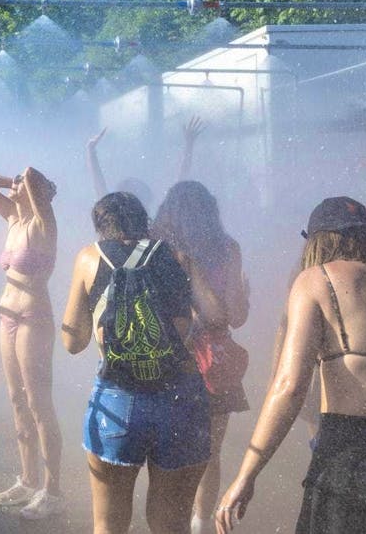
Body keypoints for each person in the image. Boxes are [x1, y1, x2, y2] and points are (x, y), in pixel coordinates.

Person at [216, 197, 366, 533]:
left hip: (350, 459)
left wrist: (247, 474)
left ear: (318, 242)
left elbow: (288, 386)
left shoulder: (317, 280)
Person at [61, 192, 225, 534]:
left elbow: (73, 342)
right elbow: (218, 317)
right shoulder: (178, 257)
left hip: (117, 400)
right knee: (171, 525)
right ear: (144, 222)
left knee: (109, 524)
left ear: (100, 227)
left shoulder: (89, 257)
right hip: (181, 399)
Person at [151, 181, 249, 534]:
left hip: (168, 359)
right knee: (210, 453)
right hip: (215, 362)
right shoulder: (227, 249)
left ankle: (166, 521)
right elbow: (234, 317)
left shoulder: (158, 249)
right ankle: (201, 525)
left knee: (168, 449)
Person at [0, 166, 63, 519]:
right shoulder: (13, 218)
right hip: (7, 315)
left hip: (33, 318)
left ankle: (53, 491)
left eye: (21, 184)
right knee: (16, 398)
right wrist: (13, 182)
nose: (15, 184)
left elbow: (32, 174)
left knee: (39, 403)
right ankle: (27, 479)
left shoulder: (44, 223)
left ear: (37, 191)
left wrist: (27, 180)